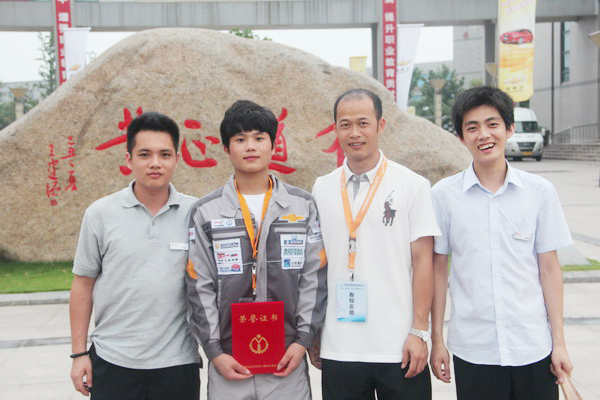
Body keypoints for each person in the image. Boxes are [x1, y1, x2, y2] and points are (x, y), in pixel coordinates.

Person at [430, 86, 574, 400]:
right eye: (472, 127)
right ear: (460, 137)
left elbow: (550, 270)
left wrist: (559, 343)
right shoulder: (443, 195)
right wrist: (437, 339)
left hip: (533, 346)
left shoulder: (539, 191)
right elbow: (438, 270)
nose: (484, 135)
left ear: (509, 128)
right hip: (474, 349)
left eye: (492, 124)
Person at [185, 100, 327, 400]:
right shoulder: (206, 211)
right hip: (229, 361)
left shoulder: (302, 206)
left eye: (259, 138)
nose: (250, 146)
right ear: (226, 148)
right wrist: (214, 352)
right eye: (240, 139)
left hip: (286, 359)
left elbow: (314, 276)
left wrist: (302, 341)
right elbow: (199, 284)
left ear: (273, 145)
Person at [311, 88, 440, 400]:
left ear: (380, 126)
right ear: (335, 129)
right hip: (340, 344)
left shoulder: (412, 185)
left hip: (399, 345)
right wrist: (314, 331)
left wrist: (419, 331)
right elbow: (316, 264)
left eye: (363, 123)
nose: (354, 133)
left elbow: (424, 262)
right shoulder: (322, 188)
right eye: (345, 125)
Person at [69, 112, 201, 399]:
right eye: (144, 154)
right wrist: (79, 353)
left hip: (177, 362)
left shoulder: (197, 213)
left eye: (164, 154)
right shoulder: (100, 214)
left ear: (177, 159)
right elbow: (83, 283)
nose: (155, 163)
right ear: (128, 159)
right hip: (113, 360)